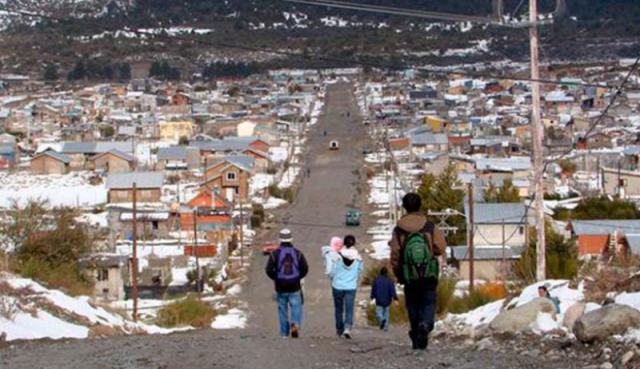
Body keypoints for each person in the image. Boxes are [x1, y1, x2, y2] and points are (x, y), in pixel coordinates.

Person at [390, 193, 446, 350]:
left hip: (410, 275)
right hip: (428, 273)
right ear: (420, 206)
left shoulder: (399, 230)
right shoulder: (429, 226)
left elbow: (395, 255)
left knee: (413, 305)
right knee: (428, 302)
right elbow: (440, 248)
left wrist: (399, 273)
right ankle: (426, 325)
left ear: (405, 207)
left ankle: (416, 333)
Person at [266, 229, 309, 339]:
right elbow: (305, 268)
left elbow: (268, 269)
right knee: (296, 306)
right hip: (294, 285)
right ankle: (295, 323)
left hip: (281, 286)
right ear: (291, 239)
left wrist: (276, 278)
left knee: (282, 309)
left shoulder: (274, 254)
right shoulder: (298, 253)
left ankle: (284, 333)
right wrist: (298, 278)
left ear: (280, 239)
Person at [328, 235, 363, 339]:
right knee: (349, 308)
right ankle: (347, 328)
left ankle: (339, 329)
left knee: (338, 308)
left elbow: (332, 271)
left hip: (337, 286)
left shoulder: (337, 256)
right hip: (351, 287)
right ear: (354, 243)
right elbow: (360, 271)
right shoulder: (358, 258)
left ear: (344, 243)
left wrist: (333, 279)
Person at [370, 266, 398, 331]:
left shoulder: (376, 280)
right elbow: (392, 290)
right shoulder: (389, 281)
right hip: (387, 300)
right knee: (386, 313)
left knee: (378, 313)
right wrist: (395, 298)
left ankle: (382, 320)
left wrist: (372, 296)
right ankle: (385, 327)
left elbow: (373, 289)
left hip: (379, 299)